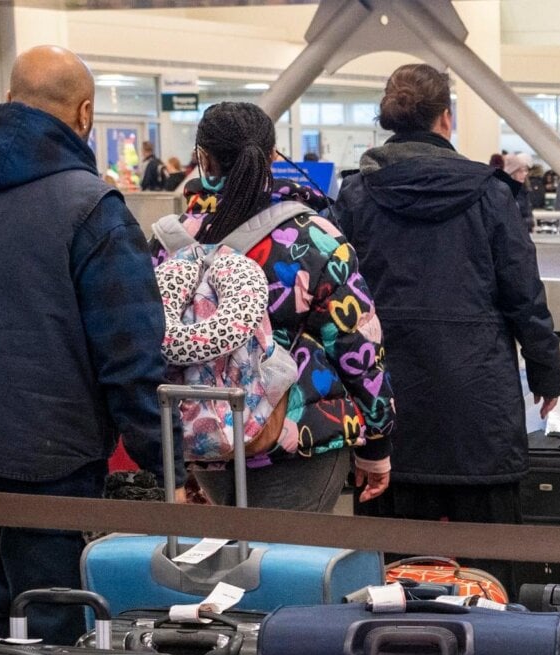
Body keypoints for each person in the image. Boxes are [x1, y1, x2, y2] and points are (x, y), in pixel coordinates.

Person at [0, 45, 165, 641]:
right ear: (86, 113)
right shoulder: (93, 208)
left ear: (10, 98)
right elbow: (131, 355)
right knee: (54, 622)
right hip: (48, 459)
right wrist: (165, 463)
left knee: (0, 598)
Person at [333, 63, 560, 584]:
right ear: (447, 118)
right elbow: (524, 295)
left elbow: (339, 304)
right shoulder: (491, 193)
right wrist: (546, 373)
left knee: (388, 572)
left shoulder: (355, 195)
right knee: (492, 568)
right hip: (478, 403)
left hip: (387, 404)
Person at [154, 101, 394, 511]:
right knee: (281, 566)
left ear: (204, 158)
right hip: (296, 440)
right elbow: (358, 346)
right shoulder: (314, 238)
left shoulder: (170, 243)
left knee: (230, 565)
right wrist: (376, 442)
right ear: (271, 156)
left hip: (207, 440)